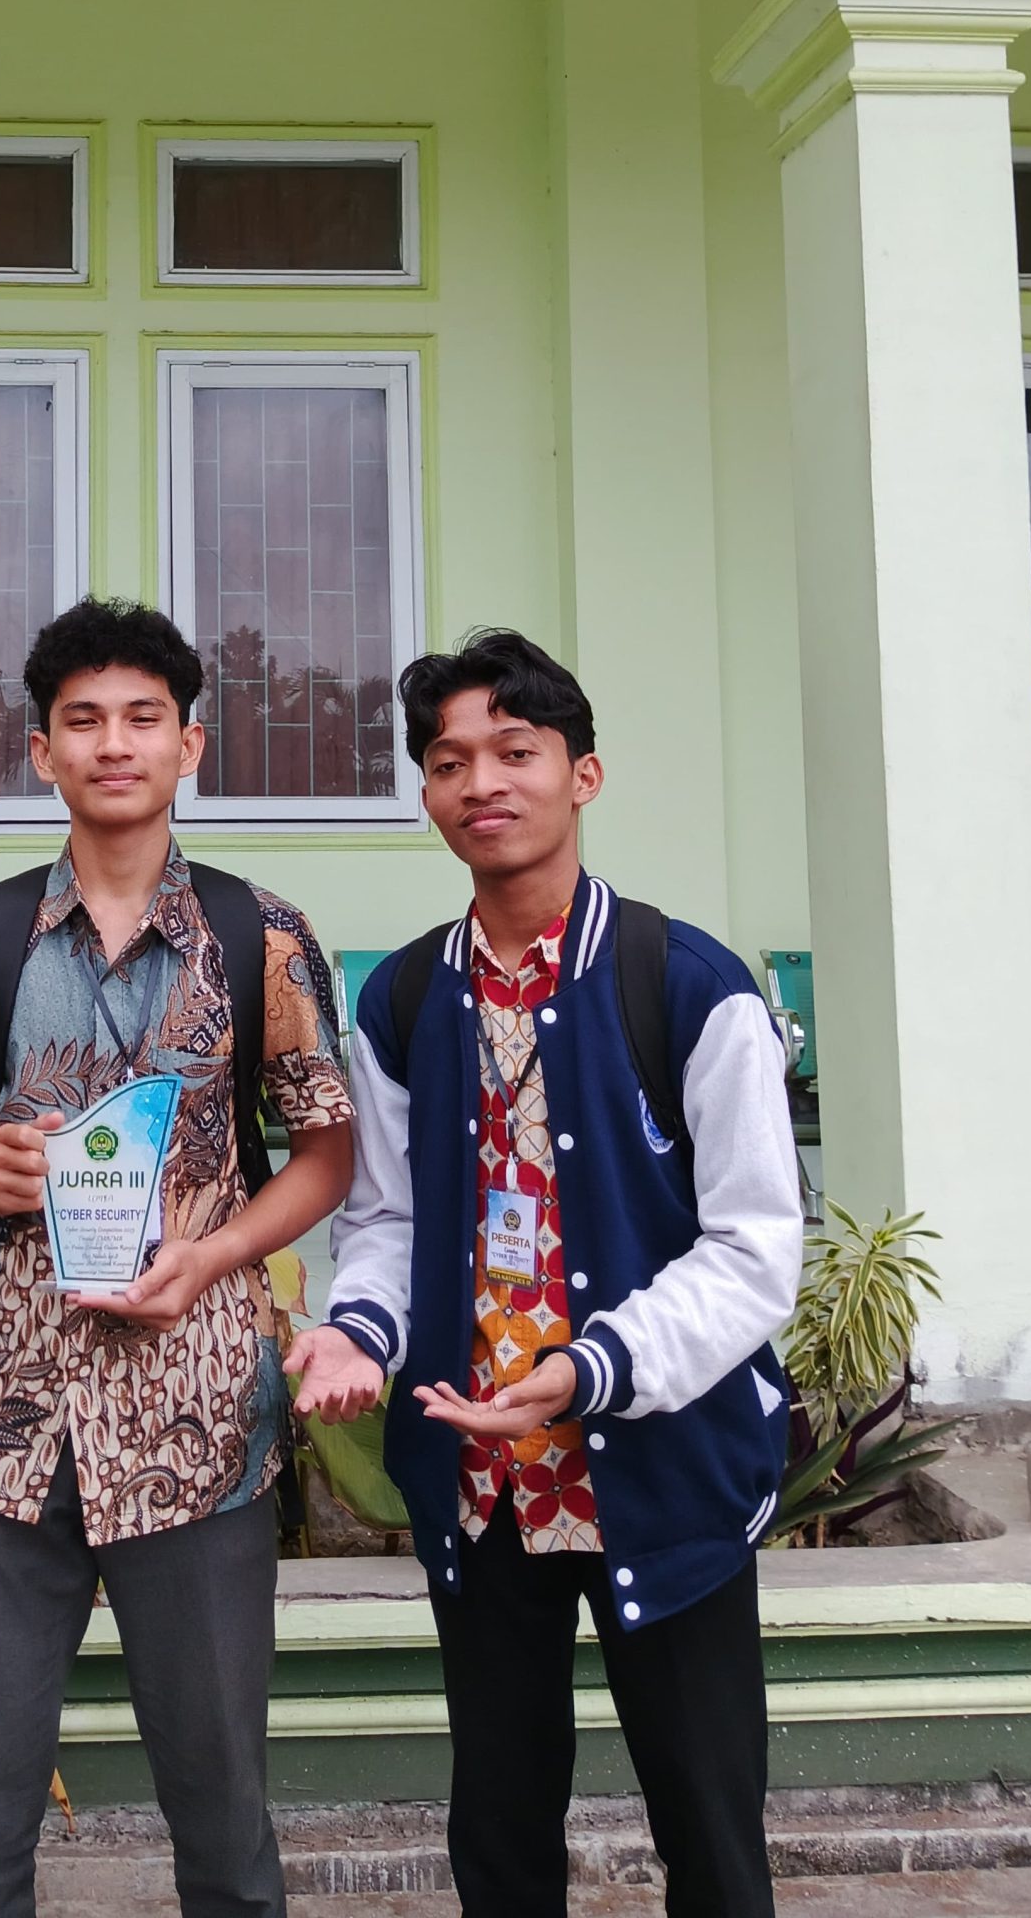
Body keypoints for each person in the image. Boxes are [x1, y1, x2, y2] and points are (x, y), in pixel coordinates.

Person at [285, 629, 801, 1918]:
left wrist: (592, 1368)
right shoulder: (404, 999)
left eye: (515, 751)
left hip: (664, 1474)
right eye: (448, 760)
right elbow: (386, 1219)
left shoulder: (689, 985)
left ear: (584, 774)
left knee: (712, 1835)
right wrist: (359, 1329)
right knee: (502, 1834)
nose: (482, 783)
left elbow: (753, 1254)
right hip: (485, 1485)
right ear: (427, 792)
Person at [0, 597, 354, 1918]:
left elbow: (326, 1152)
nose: (114, 743)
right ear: (42, 750)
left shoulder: (262, 937)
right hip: (4, 1423)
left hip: (197, 1419)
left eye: (143, 718)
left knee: (222, 1807)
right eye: (83, 721)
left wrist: (220, 1255)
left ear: (188, 745)